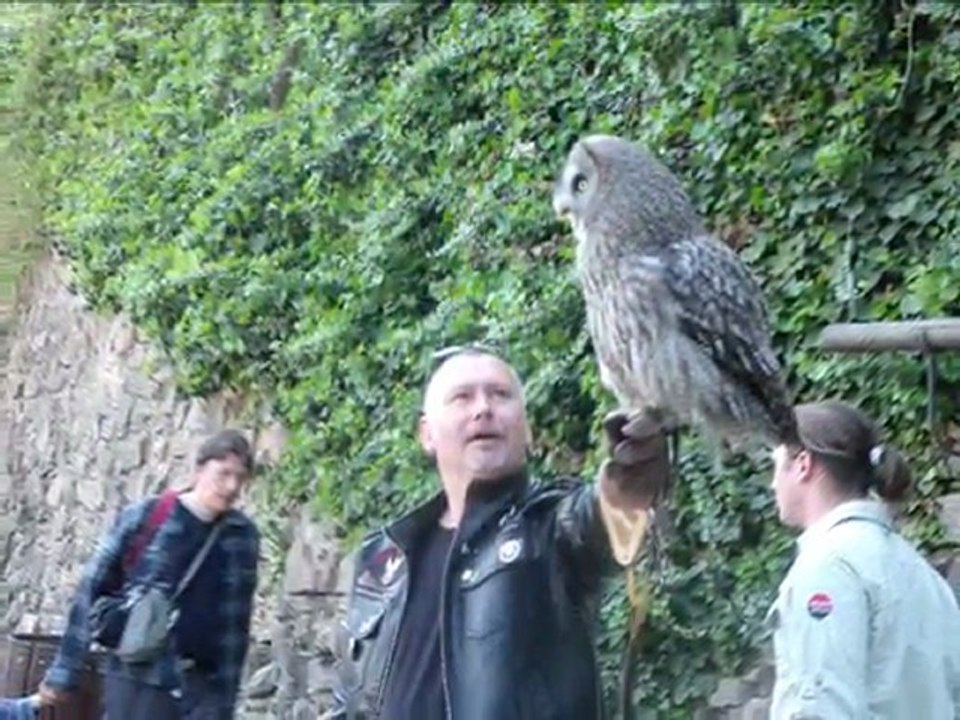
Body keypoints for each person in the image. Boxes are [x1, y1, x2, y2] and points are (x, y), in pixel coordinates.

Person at [327, 344, 672, 720]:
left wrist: (631, 475)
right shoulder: (384, 555)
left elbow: (607, 517)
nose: (483, 409)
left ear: (527, 430)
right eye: (462, 397)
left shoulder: (548, 525)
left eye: (500, 395)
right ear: (426, 434)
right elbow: (351, 698)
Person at [37, 429, 261, 720]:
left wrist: (226, 701)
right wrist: (65, 671)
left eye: (240, 478)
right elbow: (90, 591)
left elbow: (236, 626)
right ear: (199, 470)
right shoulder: (149, 516)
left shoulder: (242, 537)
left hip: (204, 691)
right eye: (224, 473)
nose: (231, 486)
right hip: (140, 679)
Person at [767, 399, 960, 718]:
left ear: (803, 464)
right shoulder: (915, 567)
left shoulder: (828, 567)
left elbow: (820, 707)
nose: (773, 483)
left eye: (775, 465)